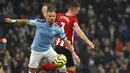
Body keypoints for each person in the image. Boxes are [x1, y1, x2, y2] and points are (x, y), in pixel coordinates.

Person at [5, 7, 75, 73]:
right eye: (50, 16)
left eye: (54, 16)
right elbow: (26, 21)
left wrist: (73, 53)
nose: (52, 18)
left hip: (48, 50)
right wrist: (12, 20)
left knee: (62, 66)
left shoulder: (57, 29)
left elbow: (66, 41)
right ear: (46, 16)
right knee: (32, 71)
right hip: (36, 51)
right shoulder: (39, 22)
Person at [42, 0, 94, 73]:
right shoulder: (73, 19)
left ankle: (40, 69)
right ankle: (40, 69)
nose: (78, 12)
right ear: (74, 10)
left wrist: (44, 12)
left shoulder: (59, 15)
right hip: (66, 48)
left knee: (57, 67)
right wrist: (88, 41)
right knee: (71, 69)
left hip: (58, 46)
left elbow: (48, 20)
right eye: (77, 11)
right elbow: (79, 31)